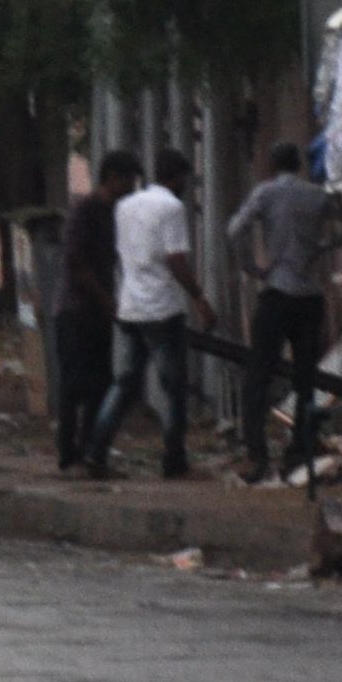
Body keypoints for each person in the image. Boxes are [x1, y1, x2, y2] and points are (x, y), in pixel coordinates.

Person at [226, 139, 342, 479]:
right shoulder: (317, 195)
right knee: (305, 377)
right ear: (299, 165)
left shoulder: (265, 193)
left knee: (258, 373)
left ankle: (256, 452)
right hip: (310, 294)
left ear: (272, 165)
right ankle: (300, 448)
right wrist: (323, 248)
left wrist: (251, 267)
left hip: (277, 290)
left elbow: (235, 228)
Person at [86, 149, 203, 480]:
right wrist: (200, 299)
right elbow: (176, 260)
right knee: (173, 386)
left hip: (130, 306)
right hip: (162, 308)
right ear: (178, 177)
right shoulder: (172, 207)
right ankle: (173, 458)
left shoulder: (125, 206)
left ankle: (96, 450)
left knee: (125, 383)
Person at [52, 149, 137, 472]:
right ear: (112, 177)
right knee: (74, 386)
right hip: (75, 311)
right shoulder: (85, 210)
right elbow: (76, 263)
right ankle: (68, 454)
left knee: (99, 385)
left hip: (98, 313)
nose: (132, 187)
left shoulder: (114, 212)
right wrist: (105, 300)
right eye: (128, 180)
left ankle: (90, 452)